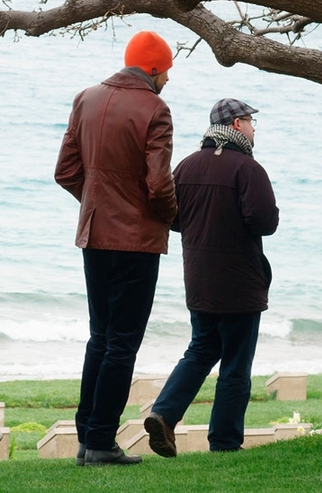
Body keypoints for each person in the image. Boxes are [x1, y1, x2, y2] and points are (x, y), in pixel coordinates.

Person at [54, 30, 178, 467]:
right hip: (136, 241)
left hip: (95, 234)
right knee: (122, 343)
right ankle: (102, 441)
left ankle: (88, 436)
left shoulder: (85, 98)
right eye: (166, 72)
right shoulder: (155, 108)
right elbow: (159, 183)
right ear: (154, 68)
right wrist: (169, 217)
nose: (167, 80)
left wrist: (97, 204)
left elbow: (66, 172)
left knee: (100, 338)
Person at [143, 98, 279, 456]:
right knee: (235, 363)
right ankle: (224, 442)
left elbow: (171, 217)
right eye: (250, 121)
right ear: (236, 125)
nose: (253, 128)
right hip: (241, 284)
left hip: (200, 280)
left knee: (201, 350)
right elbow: (266, 222)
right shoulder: (248, 169)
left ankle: (164, 414)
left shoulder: (186, 167)